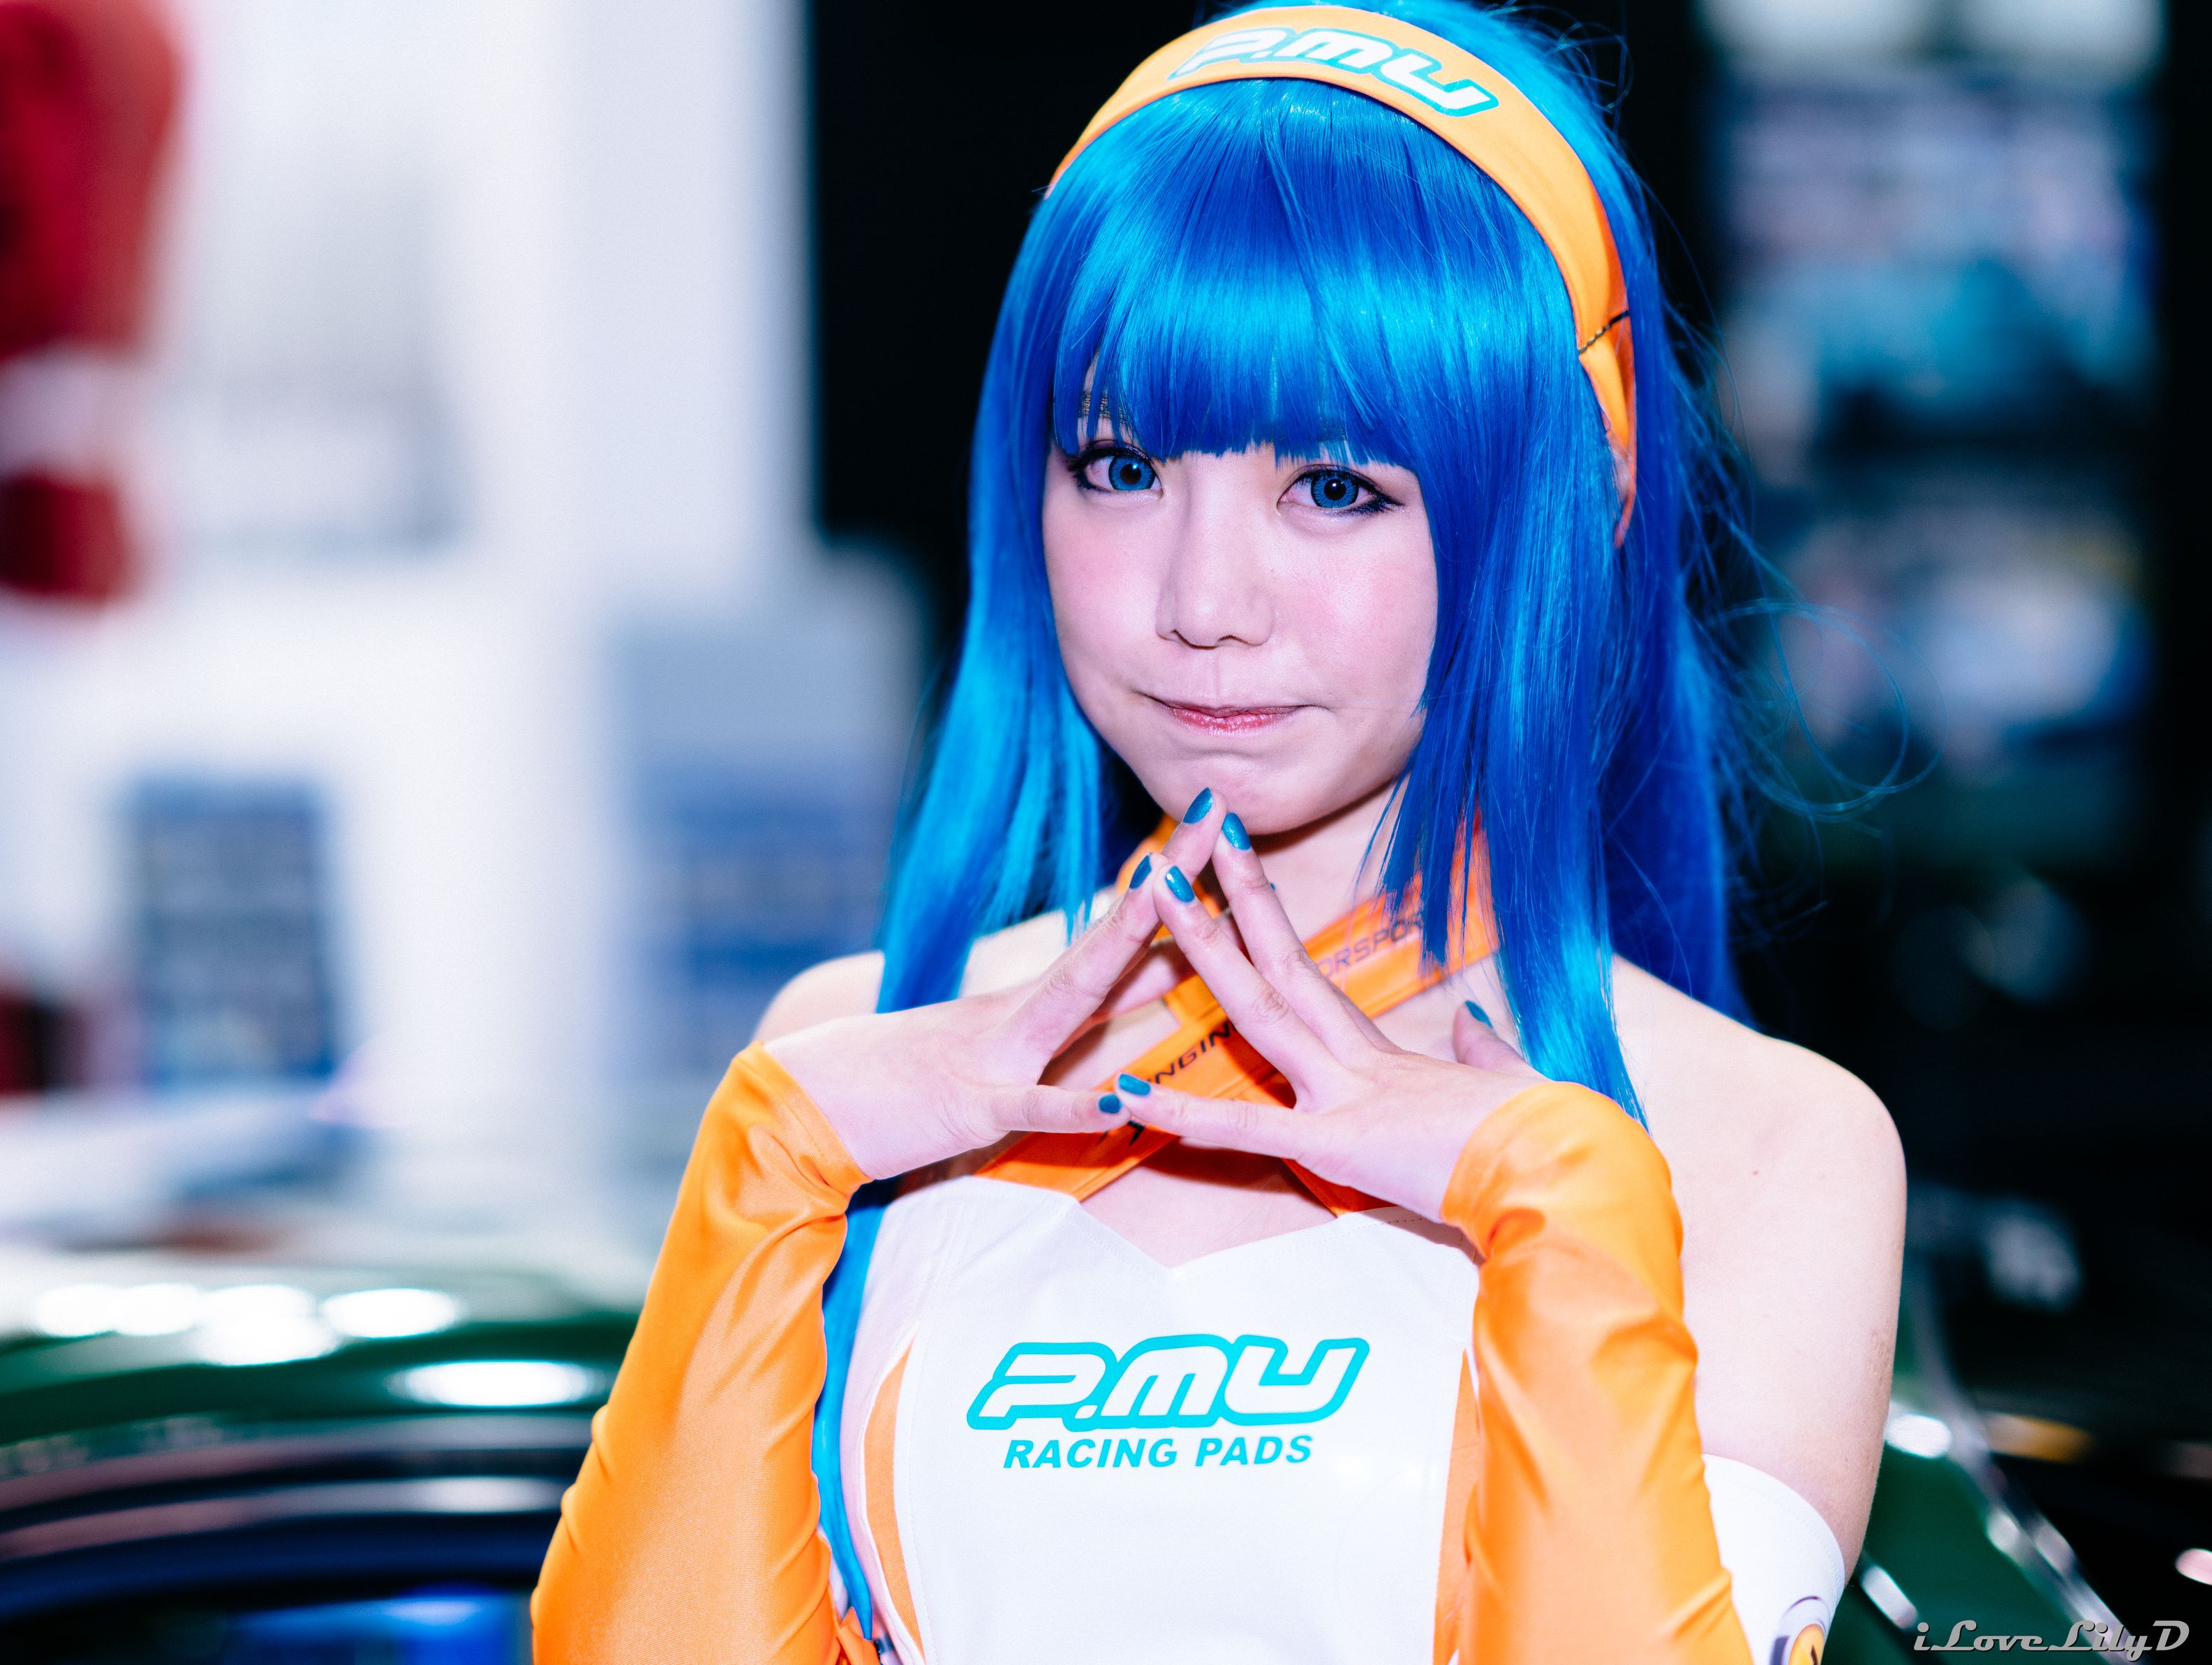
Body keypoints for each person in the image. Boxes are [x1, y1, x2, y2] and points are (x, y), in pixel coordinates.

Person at [531, 3, 1906, 1660]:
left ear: (1575, 500)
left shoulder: (1758, 1147)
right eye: (1121, 465)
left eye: (1334, 487)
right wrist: (764, 1171)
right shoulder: (851, 1060)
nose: (1201, 601)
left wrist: (1563, 1207)